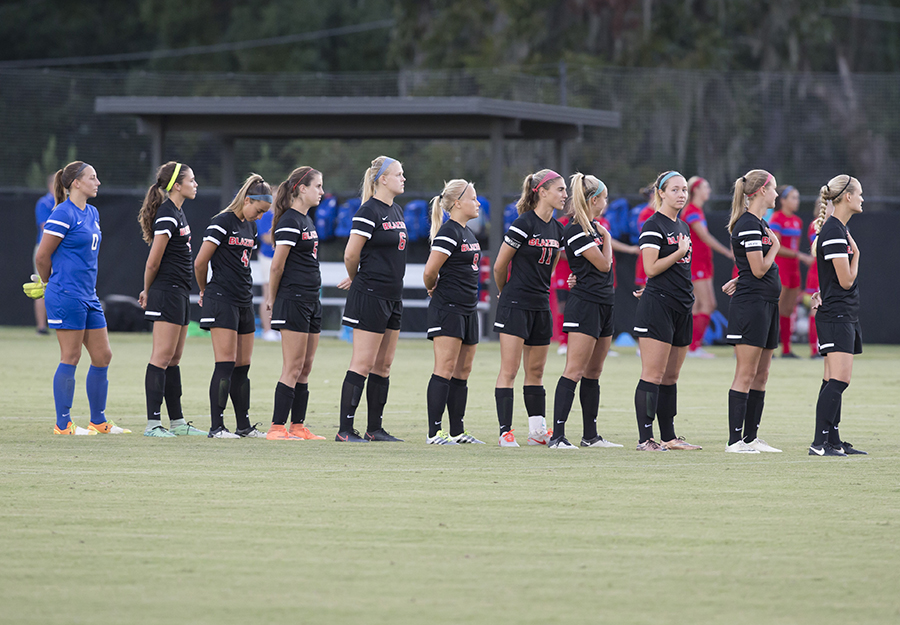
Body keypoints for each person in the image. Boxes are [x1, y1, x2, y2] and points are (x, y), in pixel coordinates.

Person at [34, 161, 126, 435]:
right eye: (92, 178)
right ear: (76, 183)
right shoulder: (62, 213)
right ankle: (63, 424)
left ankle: (98, 421)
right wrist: (49, 283)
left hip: (88, 295)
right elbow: (42, 255)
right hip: (66, 293)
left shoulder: (93, 212)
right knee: (71, 355)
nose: (98, 182)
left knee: (103, 355)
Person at [548, 173, 623, 450]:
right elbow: (604, 265)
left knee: (594, 372)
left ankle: (590, 436)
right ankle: (557, 436)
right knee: (574, 370)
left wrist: (603, 235)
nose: (606, 202)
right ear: (594, 199)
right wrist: (608, 238)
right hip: (585, 306)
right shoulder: (578, 228)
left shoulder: (593, 227)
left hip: (604, 303)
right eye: (604, 197)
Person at [335, 156, 407, 443]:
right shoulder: (368, 211)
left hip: (393, 295)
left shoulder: (397, 210)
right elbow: (351, 254)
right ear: (383, 179)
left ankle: (374, 429)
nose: (403, 178)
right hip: (371, 295)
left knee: (384, 365)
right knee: (362, 362)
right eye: (399, 174)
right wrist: (358, 276)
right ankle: (345, 430)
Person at [194, 174, 271, 439]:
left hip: (244, 300)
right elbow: (200, 262)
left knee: (243, 366)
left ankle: (244, 426)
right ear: (247, 200)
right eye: (258, 210)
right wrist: (205, 290)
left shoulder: (250, 227)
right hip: (222, 299)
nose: (260, 217)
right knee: (225, 364)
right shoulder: (222, 222)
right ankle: (217, 428)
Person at [492, 169, 566, 447]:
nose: (564, 195)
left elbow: (551, 266)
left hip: (540, 305)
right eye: (559, 189)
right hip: (515, 303)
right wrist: (503, 292)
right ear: (542, 192)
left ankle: (537, 431)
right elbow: (500, 265)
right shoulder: (523, 223)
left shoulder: (558, 229)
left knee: (536, 371)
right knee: (509, 370)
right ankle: (505, 432)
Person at [632, 171, 701, 451]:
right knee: (653, 374)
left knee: (671, 377)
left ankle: (669, 437)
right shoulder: (653, 225)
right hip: (658, 306)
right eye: (675, 189)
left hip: (681, 306)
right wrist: (677, 252)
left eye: (684, 189)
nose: (681, 194)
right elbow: (650, 269)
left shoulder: (682, 226)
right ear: (661, 192)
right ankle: (645, 439)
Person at [138, 161, 205, 437]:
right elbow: (153, 261)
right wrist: (146, 289)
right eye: (191, 180)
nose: (195, 184)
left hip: (179, 291)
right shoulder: (167, 215)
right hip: (166, 291)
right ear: (177, 185)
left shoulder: (178, 212)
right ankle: (153, 423)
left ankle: (177, 422)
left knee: (174, 358)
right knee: (162, 356)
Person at [264, 166, 327, 441]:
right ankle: (277, 427)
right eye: (318, 186)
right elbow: (277, 266)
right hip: (294, 299)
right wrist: (272, 298)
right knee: (292, 365)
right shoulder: (290, 221)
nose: (322, 192)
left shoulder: (306, 219)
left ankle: (298, 426)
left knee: (306, 365)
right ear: (302, 188)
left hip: (312, 299)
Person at [723, 170, 783, 453]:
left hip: (767, 306)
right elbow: (759, 269)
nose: (777, 194)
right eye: (774, 189)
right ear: (761, 191)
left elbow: (750, 268)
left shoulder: (759, 224)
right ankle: (735, 441)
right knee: (746, 373)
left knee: (762, 374)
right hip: (752, 306)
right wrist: (776, 248)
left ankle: (750, 438)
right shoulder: (748, 224)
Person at [422, 179, 485, 445]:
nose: (478, 203)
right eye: (473, 198)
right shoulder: (449, 232)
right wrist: (431, 288)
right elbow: (429, 271)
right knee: (445, 368)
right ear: (457, 203)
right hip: (448, 308)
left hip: (468, 309)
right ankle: (434, 432)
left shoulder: (467, 232)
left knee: (463, 371)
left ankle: (457, 431)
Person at [809, 175, 866, 457]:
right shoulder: (833, 231)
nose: (862, 199)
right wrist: (856, 256)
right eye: (859, 194)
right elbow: (845, 280)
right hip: (837, 315)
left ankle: (833, 440)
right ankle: (819, 443)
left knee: (832, 378)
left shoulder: (838, 229)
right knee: (840, 379)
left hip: (843, 313)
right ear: (846, 197)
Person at [682, 177, 733, 358]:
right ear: (695, 190)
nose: (709, 190)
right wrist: (728, 253)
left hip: (703, 262)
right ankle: (693, 347)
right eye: (706, 187)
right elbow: (704, 237)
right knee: (708, 304)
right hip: (696, 263)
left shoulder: (698, 211)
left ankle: (691, 347)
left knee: (697, 306)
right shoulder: (691, 211)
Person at [769, 185, 814, 358]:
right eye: (793, 197)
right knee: (775, 309)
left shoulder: (798, 221)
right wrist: (801, 255)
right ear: (783, 200)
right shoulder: (776, 219)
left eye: (798, 197)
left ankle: (786, 349)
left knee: (788, 310)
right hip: (781, 268)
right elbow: (777, 246)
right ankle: (769, 348)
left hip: (794, 269)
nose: (797, 201)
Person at [33, 174, 55, 335]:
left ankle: (59, 324)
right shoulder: (45, 203)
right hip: (44, 249)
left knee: (59, 286)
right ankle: (42, 327)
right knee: (41, 286)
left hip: (60, 250)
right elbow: (45, 227)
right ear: (50, 185)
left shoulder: (66, 204)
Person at [253, 208, 279, 342]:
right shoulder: (267, 215)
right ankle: (267, 330)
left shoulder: (288, 213)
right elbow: (265, 237)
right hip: (268, 257)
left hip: (283, 258)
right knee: (268, 293)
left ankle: (278, 328)